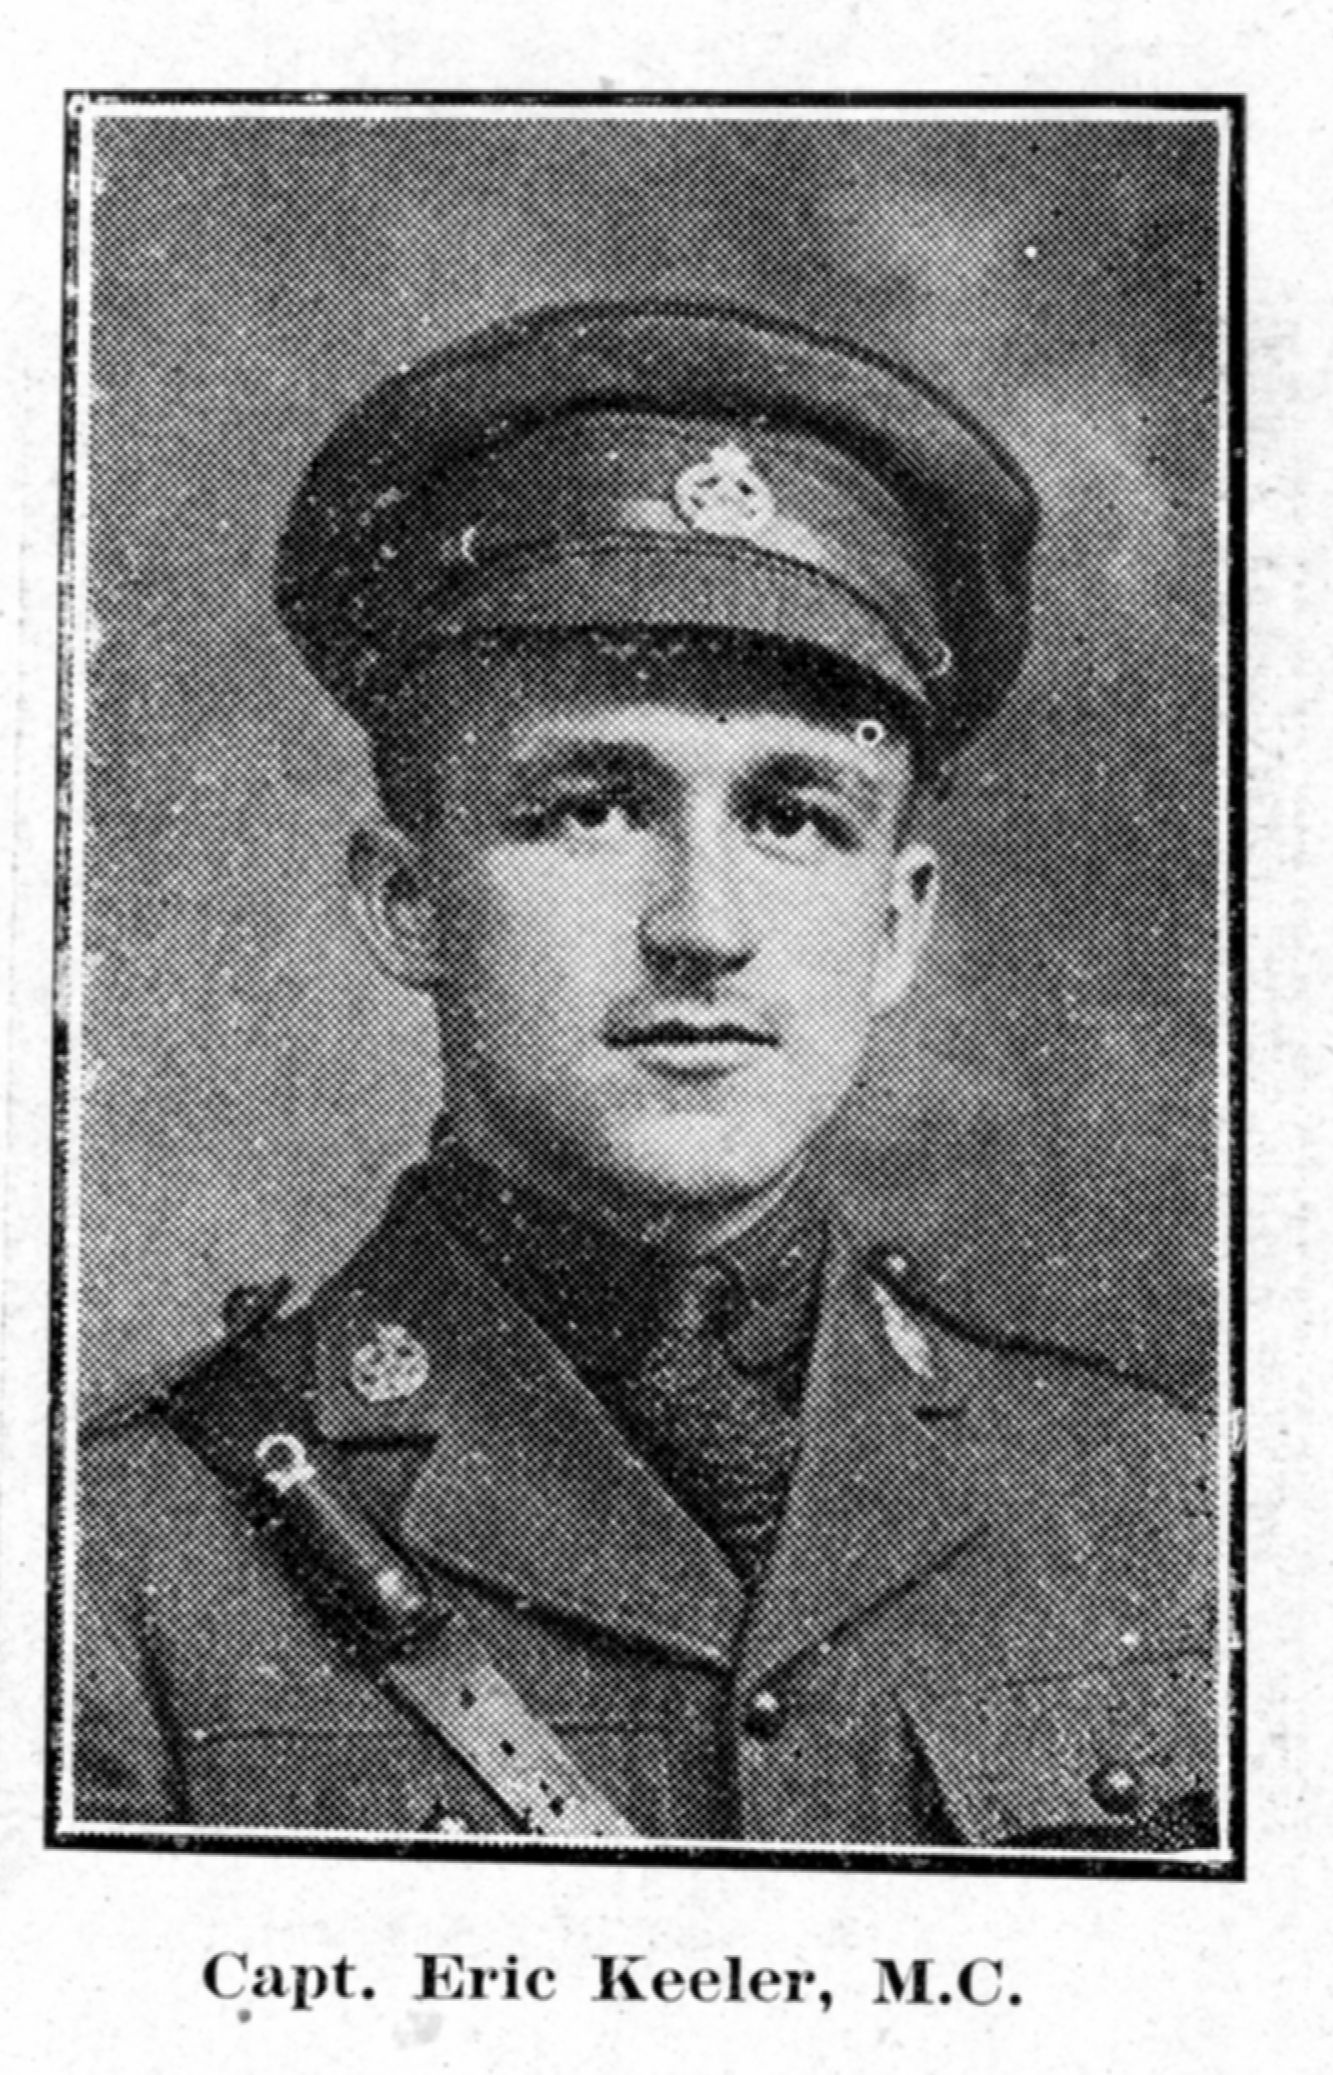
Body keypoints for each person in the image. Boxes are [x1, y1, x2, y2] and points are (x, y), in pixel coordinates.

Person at [72, 300, 1218, 1852]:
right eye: (591, 808)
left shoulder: (1157, 1505)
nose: (701, 927)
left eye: (794, 816)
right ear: (409, 902)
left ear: (893, 924)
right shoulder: (114, 1565)